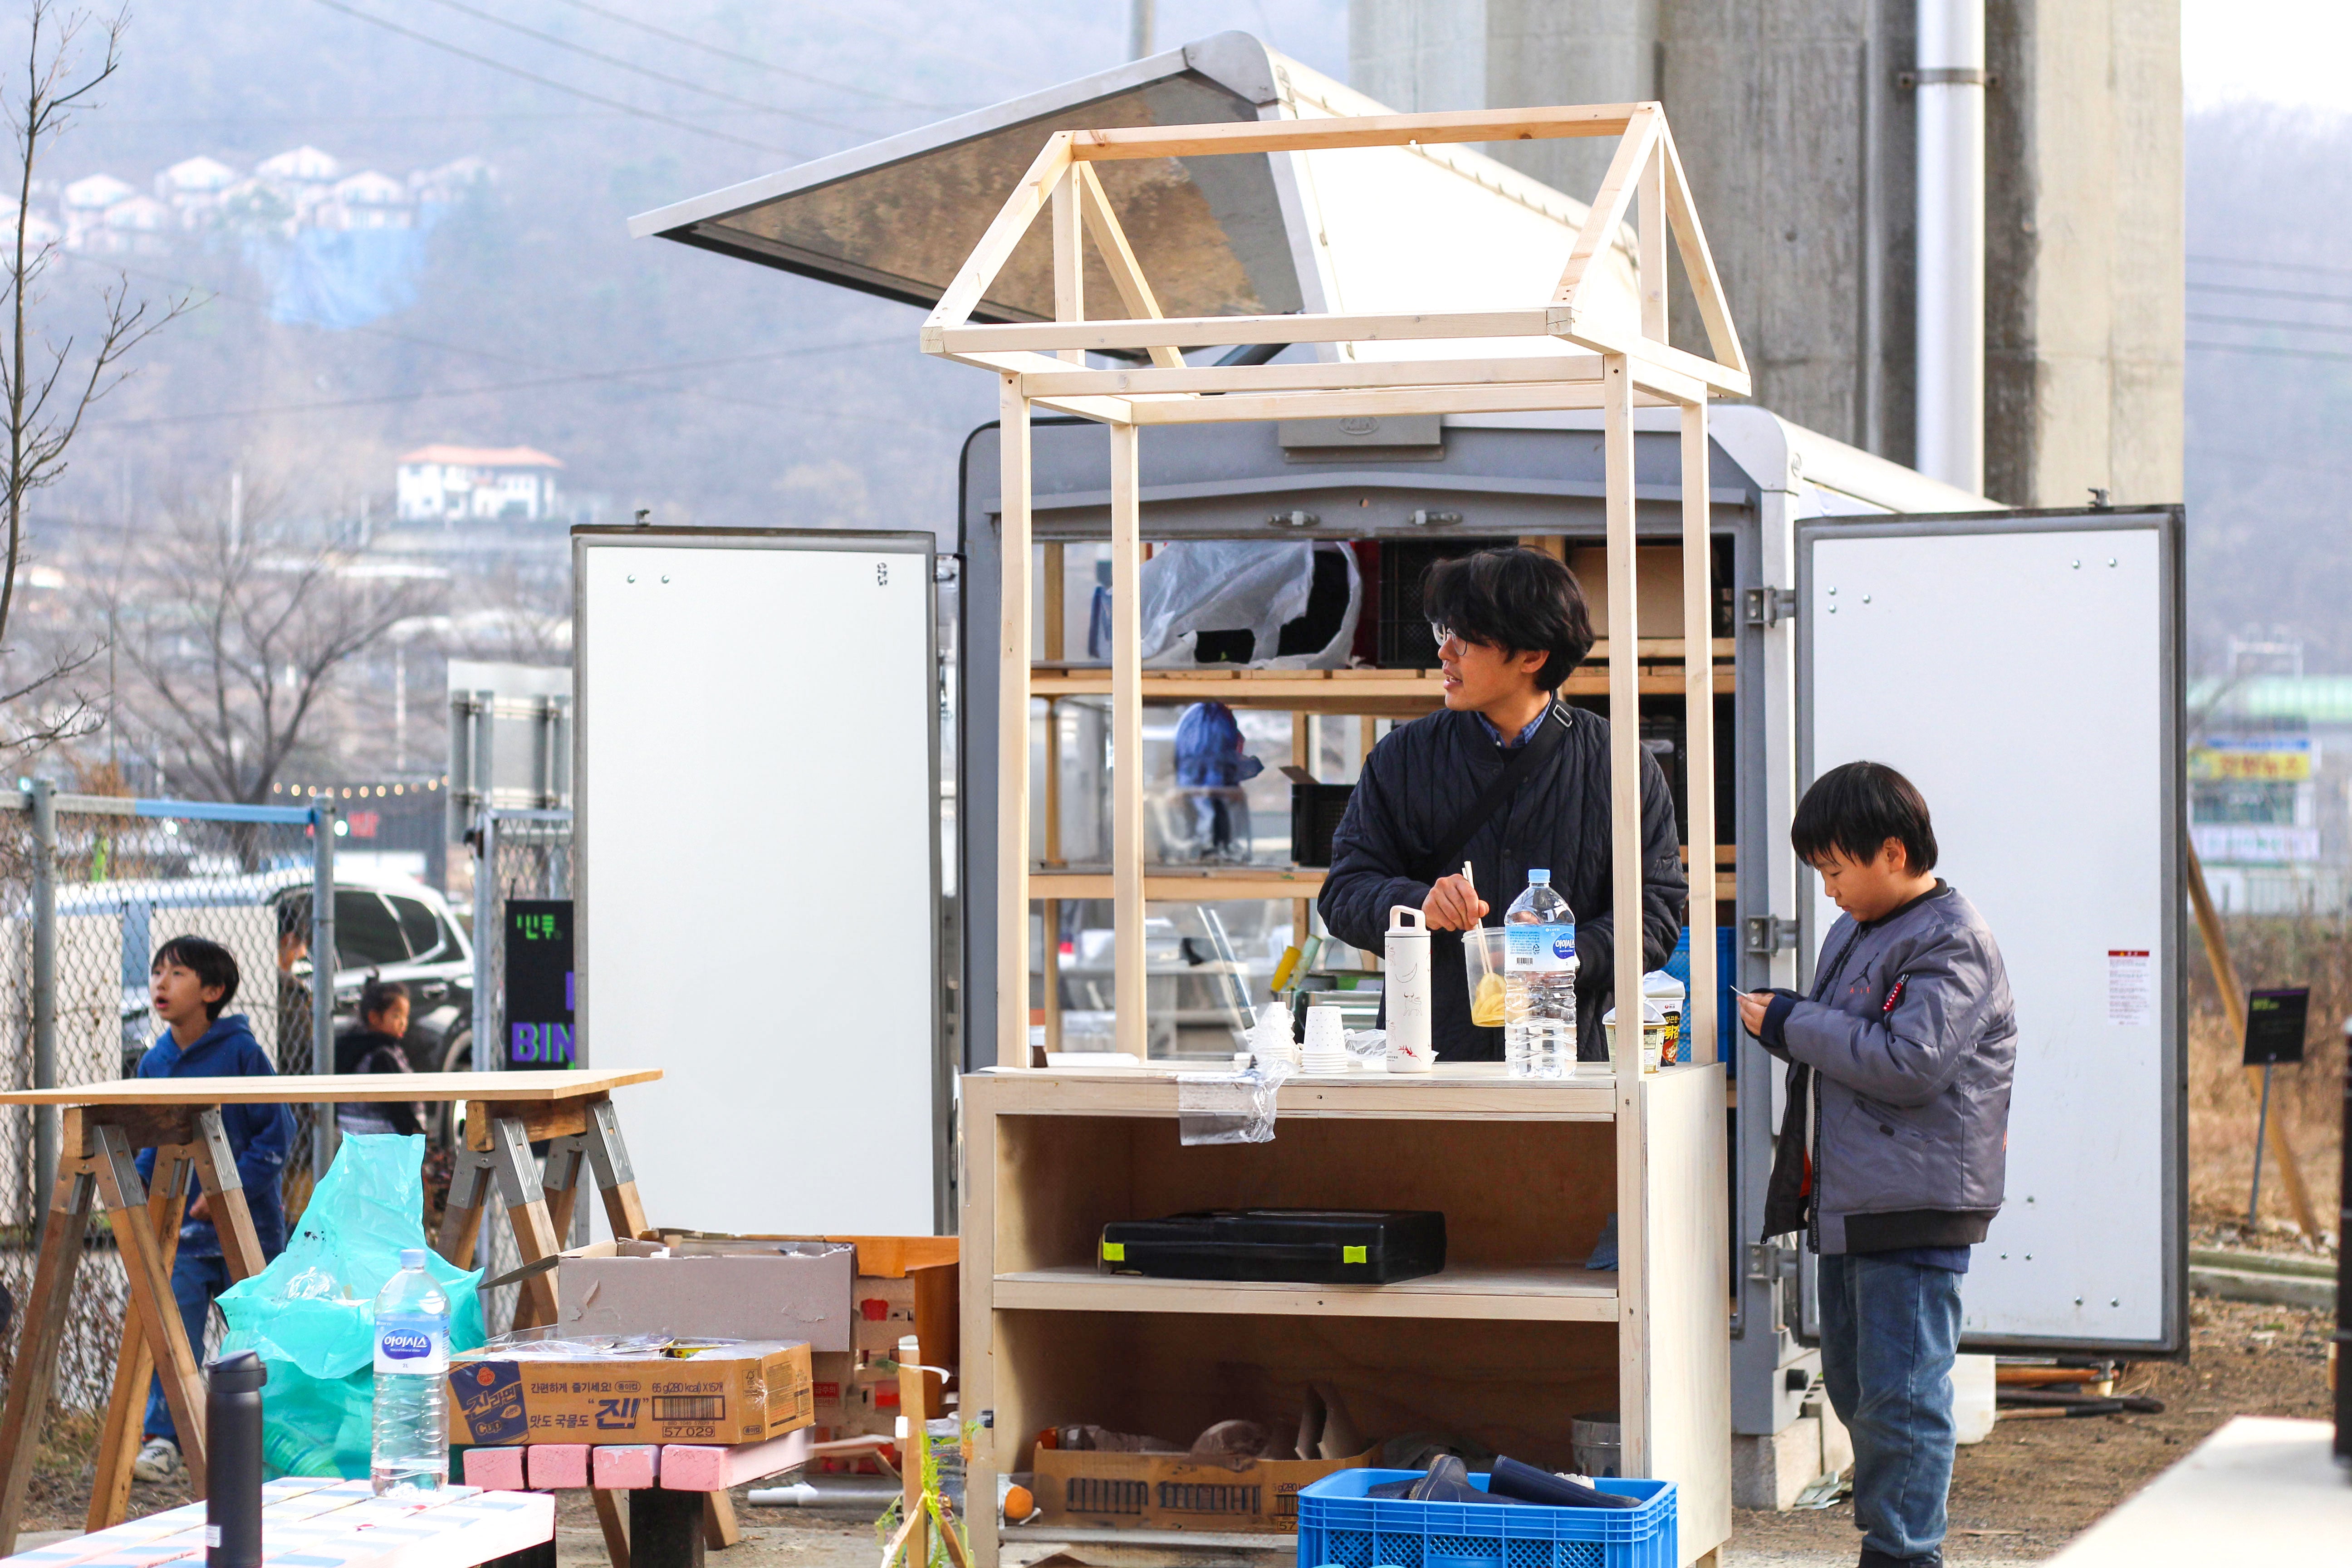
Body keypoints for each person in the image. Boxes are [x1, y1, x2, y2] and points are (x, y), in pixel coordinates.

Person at [1737, 762, 2016, 1568]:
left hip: (1915, 1202)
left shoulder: (1952, 939)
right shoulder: (1858, 930)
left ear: (1890, 852)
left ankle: (1901, 1552)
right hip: (1856, 1201)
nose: (1826, 891)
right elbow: (1840, 1034)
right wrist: (1791, 1022)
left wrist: (1790, 1023)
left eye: (1833, 870)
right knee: (1858, 1388)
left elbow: (1909, 1062)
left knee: (1901, 1397)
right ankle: (1891, 1540)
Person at [1318, 547, 1685, 1060]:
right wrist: (1417, 902)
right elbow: (1343, 893)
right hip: (1427, 1060)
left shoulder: (1621, 765)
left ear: (1532, 657)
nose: (1445, 654)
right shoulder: (1401, 758)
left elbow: (1658, 915)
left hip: (1569, 1065)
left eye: (1463, 640)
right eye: (1442, 634)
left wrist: (1559, 956)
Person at [131, 936, 294, 1484]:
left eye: (176, 974)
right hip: (182, 1236)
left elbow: (277, 1134)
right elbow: (150, 1142)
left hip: (247, 1229)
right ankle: (165, 1439)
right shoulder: (156, 1061)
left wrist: (228, 1194)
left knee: (253, 1337)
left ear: (213, 991)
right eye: (157, 973)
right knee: (172, 1332)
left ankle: (269, 1439)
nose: (160, 983)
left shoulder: (243, 1055)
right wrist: (136, 1191)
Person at [335, 975, 424, 1138]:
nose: (403, 1023)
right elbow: (397, 1106)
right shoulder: (382, 1056)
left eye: (406, 1017)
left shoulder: (352, 1046)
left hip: (353, 1136)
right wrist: (414, 1132)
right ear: (374, 1017)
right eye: (397, 1016)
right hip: (383, 1140)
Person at [1172, 701, 1261, 862]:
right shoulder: (1209, 717)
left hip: (1200, 792)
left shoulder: (1200, 717)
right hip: (1206, 793)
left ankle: (1211, 848)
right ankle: (1212, 848)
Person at [274, 900, 313, 1075]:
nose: (304, 953)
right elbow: (302, 1049)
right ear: (289, 939)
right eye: (303, 944)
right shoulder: (290, 991)